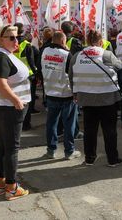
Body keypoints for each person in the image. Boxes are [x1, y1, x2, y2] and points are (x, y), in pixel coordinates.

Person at [0, 25, 31, 201]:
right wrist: (17, 101)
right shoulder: (0, 57)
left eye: (17, 37)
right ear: (1, 39)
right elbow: (1, 84)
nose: (16, 40)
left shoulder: (4, 55)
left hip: (5, 107)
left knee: (4, 146)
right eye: (11, 37)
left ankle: (1, 183)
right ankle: (11, 187)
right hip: (9, 109)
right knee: (11, 148)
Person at [70, 30, 122, 167]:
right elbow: (119, 66)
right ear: (101, 41)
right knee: (110, 130)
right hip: (107, 98)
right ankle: (112, 159)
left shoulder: (77, 56)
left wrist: (75, 94)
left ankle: (89, 158)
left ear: (87, 41)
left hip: (87, 98)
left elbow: (71, 76)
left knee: (89, 130)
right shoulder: (106, 54)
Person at [41, 31, 80, 160]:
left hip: (50, 92)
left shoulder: (45, 51)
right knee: (69, 124)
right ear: (63, 41)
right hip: (66, 93)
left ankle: (51, 150)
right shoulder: (66, 55)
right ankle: (69, 151)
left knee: (51, 123)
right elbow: (74, 74)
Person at [13, 23, 40, 130]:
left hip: (13, 75)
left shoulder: (10, 43)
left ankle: (15, 122)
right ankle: (26, 124)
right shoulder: (26, 45)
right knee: (27, 100)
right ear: (22, 31)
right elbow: (31, 62)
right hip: (27, 76)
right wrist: (36, 73)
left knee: (15, 100)